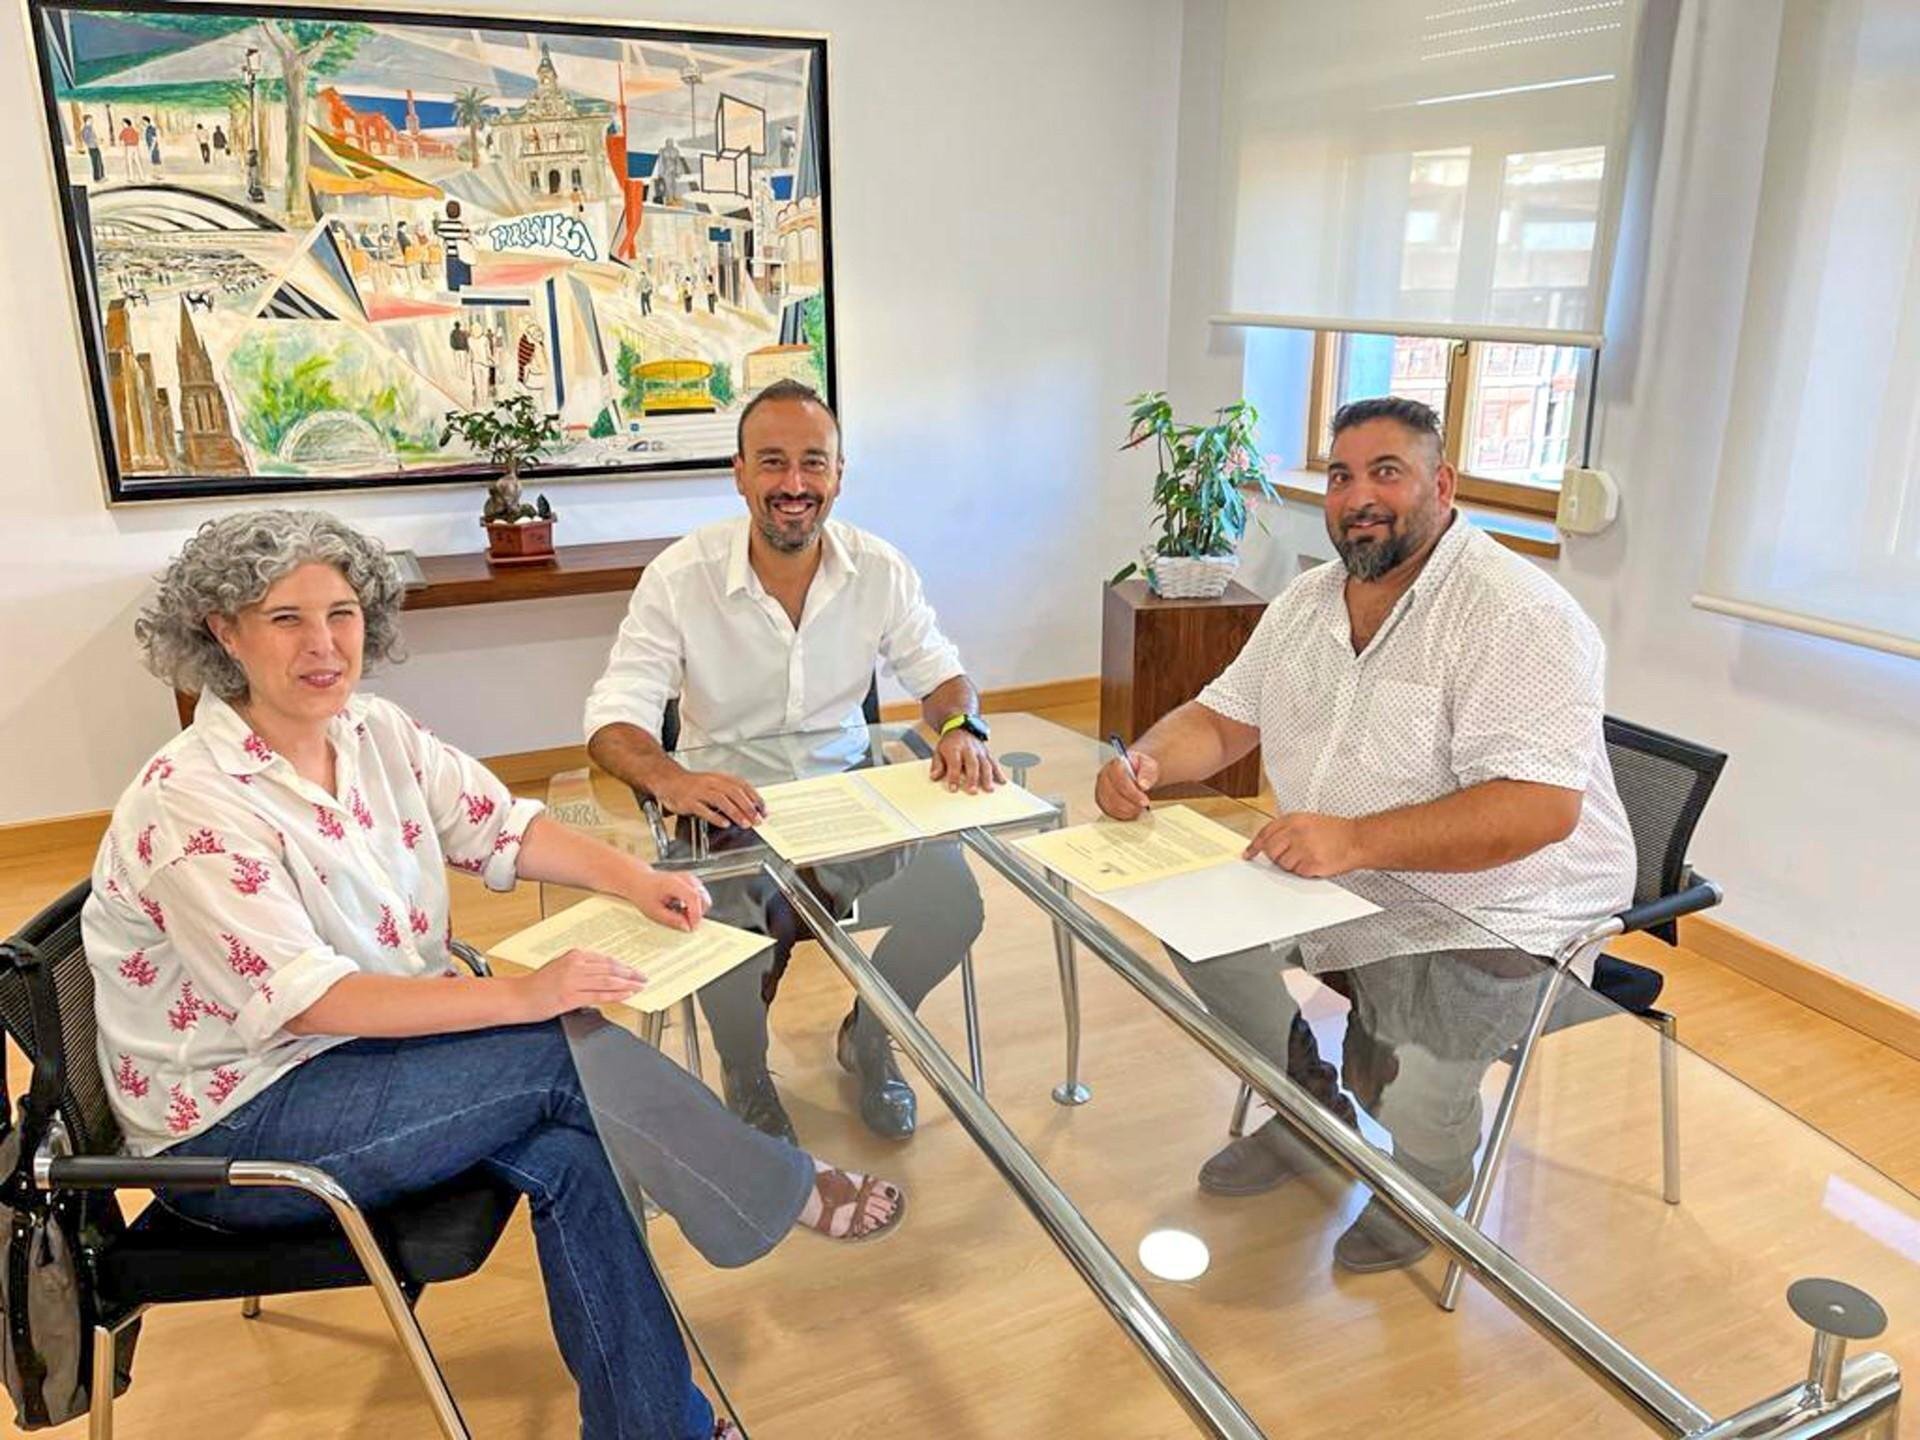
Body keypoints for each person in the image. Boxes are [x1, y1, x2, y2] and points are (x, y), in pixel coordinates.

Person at [84, 510, 906, 1440]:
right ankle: (777, 1189)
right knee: (561, 1054)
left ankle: (651, 1428)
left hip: (356, 1060)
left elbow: (500, 825)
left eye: (342, 613)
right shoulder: (190, 802)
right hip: (239, 1124)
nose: (324, 645)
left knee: (573, 1149)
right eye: (285, 619)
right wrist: (522, 993)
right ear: (223, 631)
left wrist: (635, 879)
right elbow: (310, 1001)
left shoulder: (373, 732)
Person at [1093, 396, 1634, 1273]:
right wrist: (1145, 762)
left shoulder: (1516, 614)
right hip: (1349, 871)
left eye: (1388, 472)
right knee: (1201, 933)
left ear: (1442, 485)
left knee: (1406, 1085)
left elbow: (1540, 810)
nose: (1358, 497)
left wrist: (1352, 841)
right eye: (1342, 476)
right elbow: (1221, 720)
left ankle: (1429, 1178)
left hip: (1501, 906)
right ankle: (1308, 1110)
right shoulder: (1308, 602)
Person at [584, 379, 996, 1144]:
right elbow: (614, 721)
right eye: (772, 462)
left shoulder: (879, 569)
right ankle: (746, 1071)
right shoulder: (680, 577)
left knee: (954, 900)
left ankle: (870, 1035)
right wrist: (672, 778)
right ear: (739, 474)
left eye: (814, 462)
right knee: (729, 918)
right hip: (727, 807)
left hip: (846, 800)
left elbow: (942, 675)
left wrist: (960, 727)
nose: (794, 484)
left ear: (839, 475)